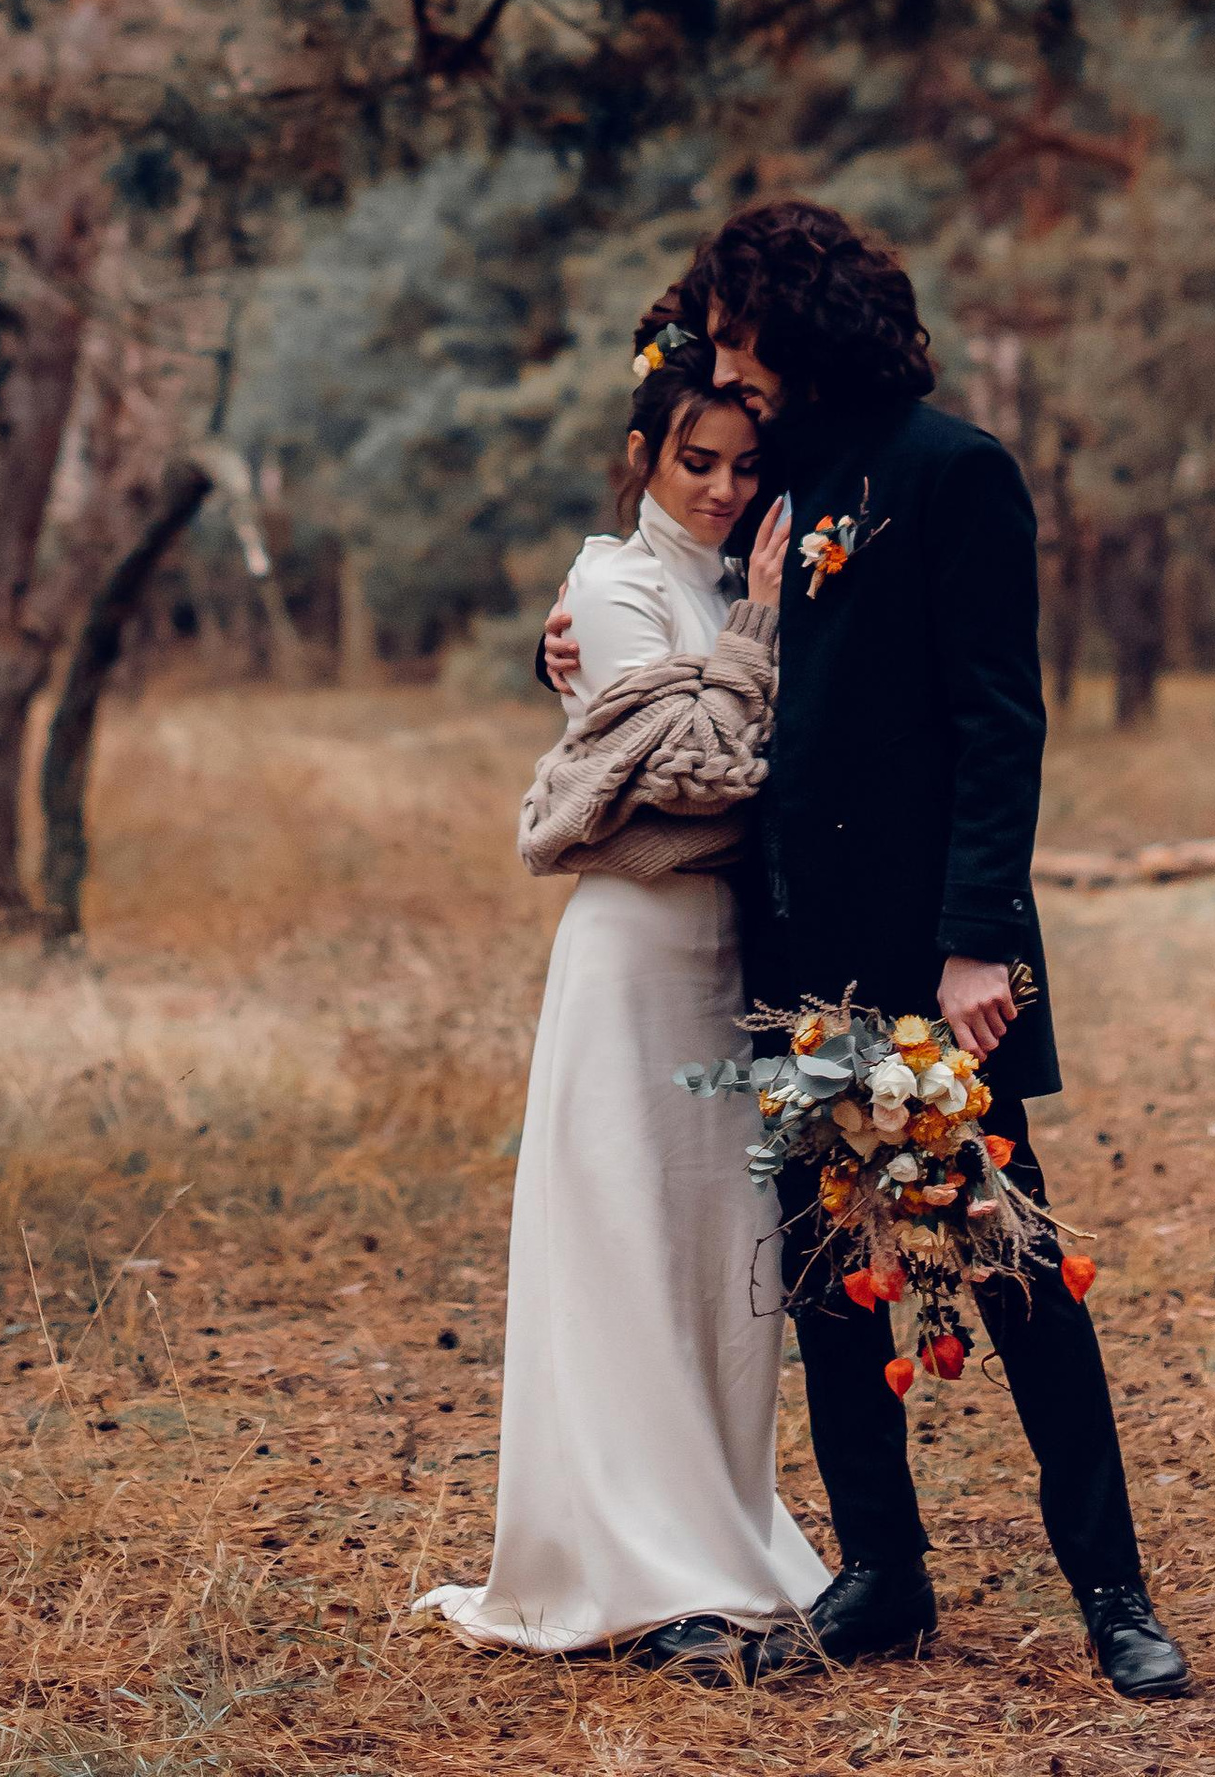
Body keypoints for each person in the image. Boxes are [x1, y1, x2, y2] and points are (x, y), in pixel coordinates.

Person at [544, 201, 1191, 1703]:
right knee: (835, 1278)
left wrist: (978, 944)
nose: (731, 362)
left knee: (1011, 1263)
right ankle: (883, 1574)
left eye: (749, 334)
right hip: (792, 960)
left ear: (806, 331)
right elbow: (684, 604)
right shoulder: (777, 475)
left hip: (924, 967)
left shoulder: (955, 474)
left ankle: (1113, 1591)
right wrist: (558, 644)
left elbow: (996, 720)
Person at [425, 333, 820, 1679]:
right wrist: (758, 639)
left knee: (722, 1265)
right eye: (694, 460)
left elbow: (772, 757)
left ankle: (721, 1532)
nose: (719, 486)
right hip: (634, 961)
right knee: (624, 1253)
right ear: (643, 456)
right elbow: (711, 769)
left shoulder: (749, 573)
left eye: (744, 464)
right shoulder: (610, 584)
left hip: (735, 967)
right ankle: (642, 1570)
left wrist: (759, 640)